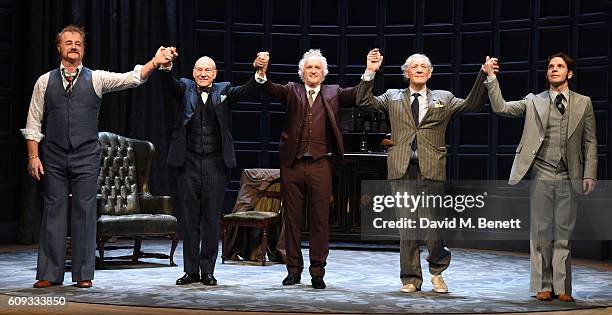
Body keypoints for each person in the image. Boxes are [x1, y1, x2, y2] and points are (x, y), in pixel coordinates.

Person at [21, 25, 171, 289]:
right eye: (68, 42)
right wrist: (34, 156)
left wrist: (154, 63)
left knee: (85, 212)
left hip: (86, 155)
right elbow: (33, 122)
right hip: (54, 155)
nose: (73, 46)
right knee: (54, 212)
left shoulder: (96, 79)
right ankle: (49, 273)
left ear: (83, 48)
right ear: (59, 48)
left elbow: (131, 78)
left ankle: (82, 273)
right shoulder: (44, 81)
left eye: (78, 42)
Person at [357, 49, 492, 293]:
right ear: (406, 73)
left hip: (431, 167)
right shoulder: (392, 96)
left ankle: (438, 272)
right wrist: (370, 71)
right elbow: (364, 101)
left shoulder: (444, 97)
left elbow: (472, 104)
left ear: (429, 74)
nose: (419, 69)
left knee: (433, 226)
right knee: (407, 226)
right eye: (414, 66)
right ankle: (410, 278)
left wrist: (483, 75)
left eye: (423, 67)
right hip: (402, 167)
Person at [482, 53, 597, 302]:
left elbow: (590, 142)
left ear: (569, 73)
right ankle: (543, 285)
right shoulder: (533, 100)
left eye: (559, 66)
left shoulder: (584, 102)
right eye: (550, 67)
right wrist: (491, 77)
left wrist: (590, 173)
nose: (554, 70)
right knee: (541, 231)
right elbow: (501, 107)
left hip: (570, 174)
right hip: (542, 171)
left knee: (564, 232)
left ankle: (563, 287)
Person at [159, 49, 269, 286]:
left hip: (215, 163)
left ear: (215, 74)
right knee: (188, 220)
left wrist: (259, 73)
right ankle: (191, 271)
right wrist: (166, 67)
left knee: (210, 220)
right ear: (193, 72)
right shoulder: (185, 87)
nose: (203, 73)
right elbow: (168, 84)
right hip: (187, 163)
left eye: (208, 70)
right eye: (199, 69)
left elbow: (247, 91)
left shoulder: (224, 90)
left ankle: (207, 270)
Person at [259, 49, 356, 289]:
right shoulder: (292, 89)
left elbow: (358, 94)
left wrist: (370, 73)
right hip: (293, 164)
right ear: (302, 72)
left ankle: (317, 272)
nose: (313, 71)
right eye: (309, 68)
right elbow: (270, 87)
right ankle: (293, 271)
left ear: (324, 73)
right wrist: (262, 72)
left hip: (321, 164)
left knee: (319, 220)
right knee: (292, 220)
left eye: (317, 68)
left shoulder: (333, 92)